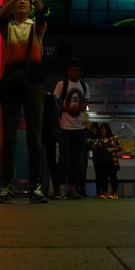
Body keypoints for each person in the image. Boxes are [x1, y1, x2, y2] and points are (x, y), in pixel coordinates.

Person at [0, 0, 49, 204]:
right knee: (8, 137)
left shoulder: (36, 28)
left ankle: (35, 187)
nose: (22, 4)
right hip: (11, 84)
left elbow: (43, 12)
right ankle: (7, 185)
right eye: (19, 2)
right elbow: (1, 15)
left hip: (34, 83)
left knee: (34, 138)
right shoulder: (7, 28)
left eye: (25, 3)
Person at [52, 62, 90, 199]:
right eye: (71, 70)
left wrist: (80, 108)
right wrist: (68, 109)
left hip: (79, 128)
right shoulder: (62, 84)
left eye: (76, 70)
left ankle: (72, 188)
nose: (74, 72)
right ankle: (61, 188)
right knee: (63, 159)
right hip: (65, 128)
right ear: (68, 71)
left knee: (77, 160)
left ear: (79, 71)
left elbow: (86, 103)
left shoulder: (84, 86)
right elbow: (55, 102)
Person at [92, 124, 123, 198]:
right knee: (103, 178)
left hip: (112, 161)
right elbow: (94, 148)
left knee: (113, 177)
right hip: (102, 162)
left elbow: (119, 147)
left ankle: (114, 193)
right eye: (101, 129)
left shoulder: (114, 138)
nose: (103, 131)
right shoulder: (98, 139)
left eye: (104, 129)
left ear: (107, 129)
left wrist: (110, 149)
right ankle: (104, 193)